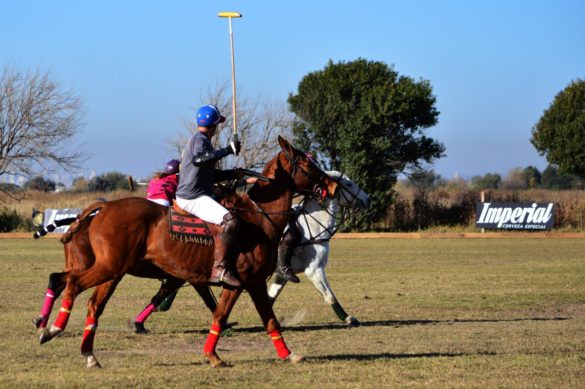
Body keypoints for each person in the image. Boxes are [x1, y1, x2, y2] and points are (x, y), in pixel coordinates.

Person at [175, 104, 244, 288]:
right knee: (231, 221)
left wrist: (233, 174)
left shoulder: (201, 141)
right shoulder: (200, 140)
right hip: (193, 197)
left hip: (198, 193)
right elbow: (199, 160)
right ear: (214, 125)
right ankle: (219, 269)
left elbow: (209, 174)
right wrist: (228, 150)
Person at [275, 205, 302, 283]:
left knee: (298, 233)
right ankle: (283, 268)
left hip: (287, 207)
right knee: (289, 237)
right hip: (273, 209)